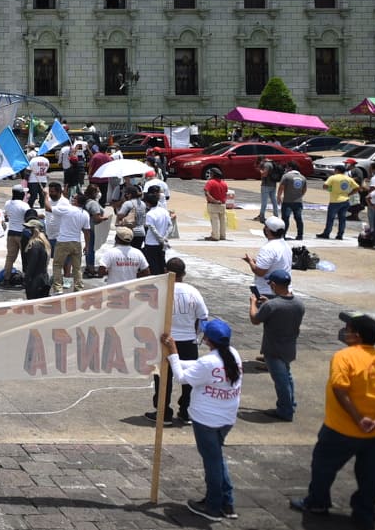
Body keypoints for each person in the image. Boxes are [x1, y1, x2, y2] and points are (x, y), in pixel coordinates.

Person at [290, 312, 375, 527]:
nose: (345, 334)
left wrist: (359, 419)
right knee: (369, 475)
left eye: (348, 331)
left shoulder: (344, 356)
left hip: (341, 429)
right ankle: (364, 514)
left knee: (323, 467)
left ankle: (317, 502)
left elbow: (341, 390)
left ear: (356, 336)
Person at [162, 318, 242, 521]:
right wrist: (176, 359)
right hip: (226, 418)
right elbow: (198, 366)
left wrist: (172, 352)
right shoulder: (233, 355)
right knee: (217, 458)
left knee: (212, 462)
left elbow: (181, 377)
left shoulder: (209, 362)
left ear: (207, 340)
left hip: (206, 420)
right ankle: (227, 502)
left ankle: (213, 506)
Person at [148, 258, 209, 426]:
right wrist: (196, 335)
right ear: (184, 273)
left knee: (162, 378)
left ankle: (163, 412)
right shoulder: (193, 291)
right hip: (188, 340)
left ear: (167, 271)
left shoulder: (161, 290)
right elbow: (202, 317)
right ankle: (186, 411)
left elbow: (152, 315)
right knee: (190, 379)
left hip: (166, 341)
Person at [250, 269, 304, 422]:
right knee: (287, 377)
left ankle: (285, 411)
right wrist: (268, 304)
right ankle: (290, 404)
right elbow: (281, 311)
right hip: (289, 347)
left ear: (273, 284)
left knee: (281, 382)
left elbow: (255, 319)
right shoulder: (299, 304)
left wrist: (253, 304)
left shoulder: (272, 306)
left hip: (273, 348)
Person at [243, 217, 292, 300]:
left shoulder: (268, 248)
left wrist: (250, 262)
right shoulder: (286, 245)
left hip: (268, 292)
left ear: (267, 230)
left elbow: (260, 272)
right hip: (285, 291)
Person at [0, 187, 30, 285]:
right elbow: (29, 217)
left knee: (10, 258)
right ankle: (26, 279)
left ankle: (6, 279)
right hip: (22, 234)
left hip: (11, 233)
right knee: (26, 258)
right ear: (21, 194)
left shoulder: (7, 203)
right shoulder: (24, 205)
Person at [322, 165, 359, 241]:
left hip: (335, 201)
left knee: (330, 219)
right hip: (345, 200)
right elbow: (357, 188)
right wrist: (350, 193)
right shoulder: (348, 178)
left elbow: (325, 186)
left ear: (337, 170)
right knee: (342, 219)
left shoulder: (333, 177)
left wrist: (331, 189)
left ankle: (326, 233)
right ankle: (340, 235)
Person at [21, 219, 51, 300]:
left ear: (35, 230)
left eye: (30, 229)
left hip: (35, 282)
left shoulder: (35, 245)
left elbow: (32, 265)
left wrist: (26, 280)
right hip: (43, 279)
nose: (28, 231)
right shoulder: (44, 243)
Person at [203, 171, 230, 241]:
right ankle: (222, 235)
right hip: (222, 204)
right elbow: (226, 193)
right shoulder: (224, 183)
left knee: (215, 220)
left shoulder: (210, 182)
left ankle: (215, 236)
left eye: (210, 173)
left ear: (213, 174)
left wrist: (214, 200)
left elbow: (206, 193)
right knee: (222, 221)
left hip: (213, 204)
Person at [257, 157, 282, 223]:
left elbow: (264, 174)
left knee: (264, 202)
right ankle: (276, 215)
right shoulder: (273, 164)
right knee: (274, 201)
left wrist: (260, 170)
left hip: (266, 185)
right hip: (273, 184)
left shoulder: (267, 165)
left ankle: (262, 217)